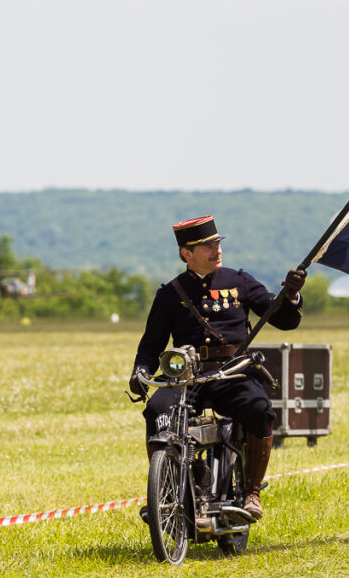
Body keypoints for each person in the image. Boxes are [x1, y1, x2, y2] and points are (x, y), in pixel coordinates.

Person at [128, 215, 306, 521]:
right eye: (207, 246)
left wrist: (290, 295)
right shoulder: (170, 293)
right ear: (187, 254)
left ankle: (251, 493)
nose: (216, 250)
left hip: (232, 373)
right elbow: (151, 344)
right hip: (187, 378)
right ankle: (167, 493)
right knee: (157, 410)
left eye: (217, 243)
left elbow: (285, 321)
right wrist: (139, 371)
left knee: (259, 409)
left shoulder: (239, 282)